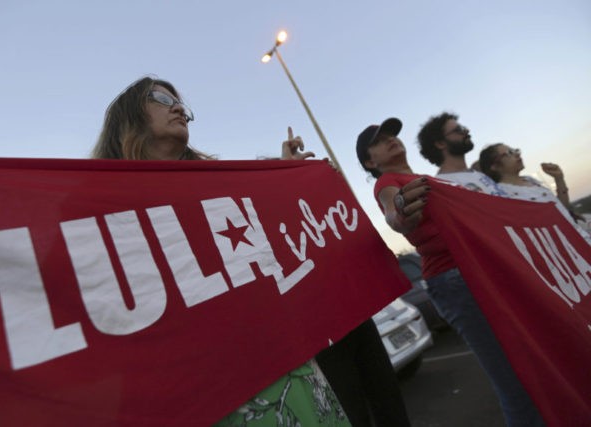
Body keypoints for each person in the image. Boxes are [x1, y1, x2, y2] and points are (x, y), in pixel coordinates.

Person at [93, 76, 409, 426]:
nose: (179, 108)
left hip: (285, 368)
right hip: (214, 389)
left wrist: (290, 179)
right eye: (161, 99)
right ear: (127, 119)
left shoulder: (221, 188)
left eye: (179, 102)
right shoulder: (102, 215)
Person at [356, 117, 545, 427]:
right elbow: (394, 213)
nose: (391, 140)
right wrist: (400, 212)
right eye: (378, 141)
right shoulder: (387, 183)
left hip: (479, 271)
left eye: (392, 135)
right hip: (454, 280)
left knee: (530, 367)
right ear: (369, 161)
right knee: (515, 382)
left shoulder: (430, 180)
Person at [478, 143, 591, 240]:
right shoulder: (501, 194)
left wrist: (559, 179)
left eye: (515, 150)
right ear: (494, 166)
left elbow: (562, 210)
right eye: (509, 153)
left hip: (580, 236)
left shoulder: (531, 180)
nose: (517, 154)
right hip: (565, 251)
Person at [417, 112, 505, 195]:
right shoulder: (444, 185)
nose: (467, 131)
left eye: (464, 128)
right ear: (440, 143)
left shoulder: (479, 174)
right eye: (459, 130)